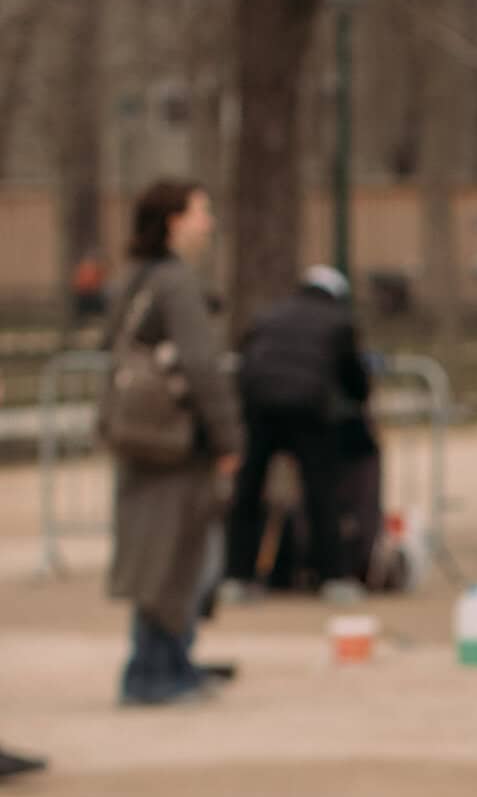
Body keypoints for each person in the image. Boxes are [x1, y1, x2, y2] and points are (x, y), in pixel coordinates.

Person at [104, 181, 244, 707]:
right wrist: (229, 434)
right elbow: (201, 367)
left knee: (160, 553)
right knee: (178, 557)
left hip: (143, 435)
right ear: (174, 221)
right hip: (177, 441)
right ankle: (154, 671)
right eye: (201, 211)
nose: (209, 223)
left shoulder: (135, 279)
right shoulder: (176, 284)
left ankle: (168, 662)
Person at [224, 265, 373, 601]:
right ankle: (332, 576)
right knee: (321, 493)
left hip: (260, 406)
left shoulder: (270, 315)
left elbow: (245, 358)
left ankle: (236, 576)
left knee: (248, 492)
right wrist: (359, 398)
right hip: (309, 409)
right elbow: (354, 376)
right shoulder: (338, 321)